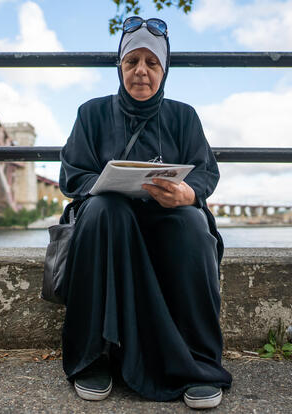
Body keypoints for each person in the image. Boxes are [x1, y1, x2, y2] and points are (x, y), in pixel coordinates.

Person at [58, 16, 232, 409]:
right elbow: (72, 174)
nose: (141, 71)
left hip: (165, 220)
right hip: (109, 226)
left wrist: (188, 193)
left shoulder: (183, 116)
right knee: (105, 210)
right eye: (132, 61)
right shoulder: (92, 114)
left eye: (151, 63)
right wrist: (103, 186)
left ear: (164, 70)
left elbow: (205, 172)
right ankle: (95, 356)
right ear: (119, 67)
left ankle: (196, 363)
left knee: (191, 222)